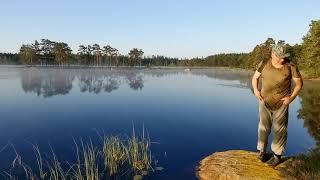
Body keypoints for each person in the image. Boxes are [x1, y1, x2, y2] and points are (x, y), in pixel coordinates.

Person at [251, 42, 303, 167]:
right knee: (263, 128)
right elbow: (255, 78)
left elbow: (299, 83)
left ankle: (277, 156)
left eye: (284, 56)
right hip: (264, 102)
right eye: (280, 56)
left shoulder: (290, 66)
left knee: (280, 130)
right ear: (273, 54)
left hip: (282, 104)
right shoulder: (264, 63)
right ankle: (262, 152)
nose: (283, 59)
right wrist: (256, 91)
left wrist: (291, 98)